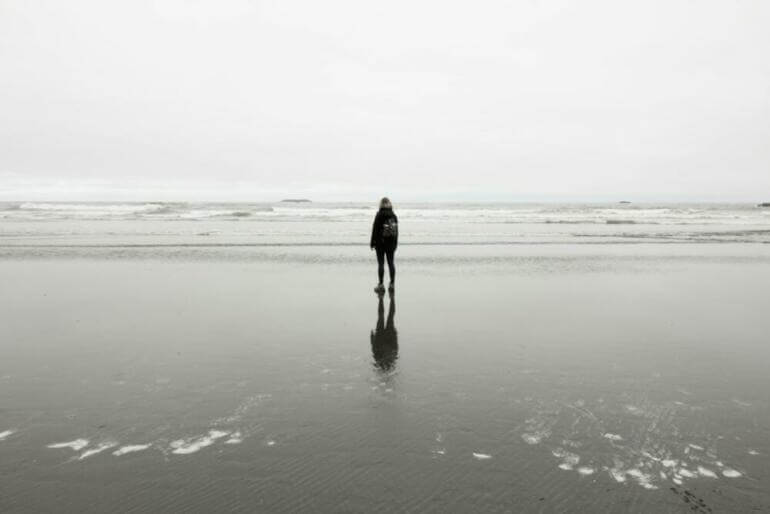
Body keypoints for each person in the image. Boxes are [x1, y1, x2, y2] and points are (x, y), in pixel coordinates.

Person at [370, 197, 398, 293]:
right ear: (389, 204)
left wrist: (372, 242)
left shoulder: (379, 215)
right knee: (391, 263)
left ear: (381, 204)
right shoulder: (393, 215)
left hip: (380, 244)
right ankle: (392, 284)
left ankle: (381, 285)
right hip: (391, 244)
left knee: (381, 264)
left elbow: (375, 230)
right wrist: (395, 244)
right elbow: (396, 232)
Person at [370, 291, 398, 372]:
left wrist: (372, 337)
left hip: (382, 337)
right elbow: (395, 348)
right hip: (384, 337)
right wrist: (372, 337)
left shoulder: (388, 359)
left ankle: (386, 299)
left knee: (388, 316)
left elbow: (395, 348)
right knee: (385, 316)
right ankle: (386, 299)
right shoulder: (388, 359)